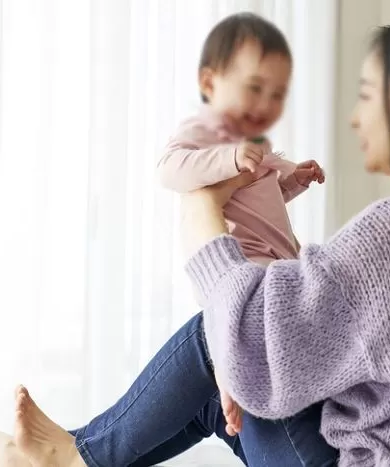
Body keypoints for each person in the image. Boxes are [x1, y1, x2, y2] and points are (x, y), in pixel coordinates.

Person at [0, 12, 390, 467]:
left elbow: (247, 330)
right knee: (213, 400)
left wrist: (202, 202)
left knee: (218, 334)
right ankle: (70, 454)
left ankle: (64, 460)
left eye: (368, 96)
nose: (354, 118)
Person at [156, 12, 325, 434]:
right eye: (254, 88)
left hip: (277, 256)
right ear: (210, 84)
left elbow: (260, 193)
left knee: (287, 327)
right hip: (238, 258)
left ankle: (239, 380)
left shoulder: (257, 144)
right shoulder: (204, 130)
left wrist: (293, 178)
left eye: (276, 94)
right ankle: (229, 378)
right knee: (255, 325)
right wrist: (227, 158)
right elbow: (169, 169)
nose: (265, 105)